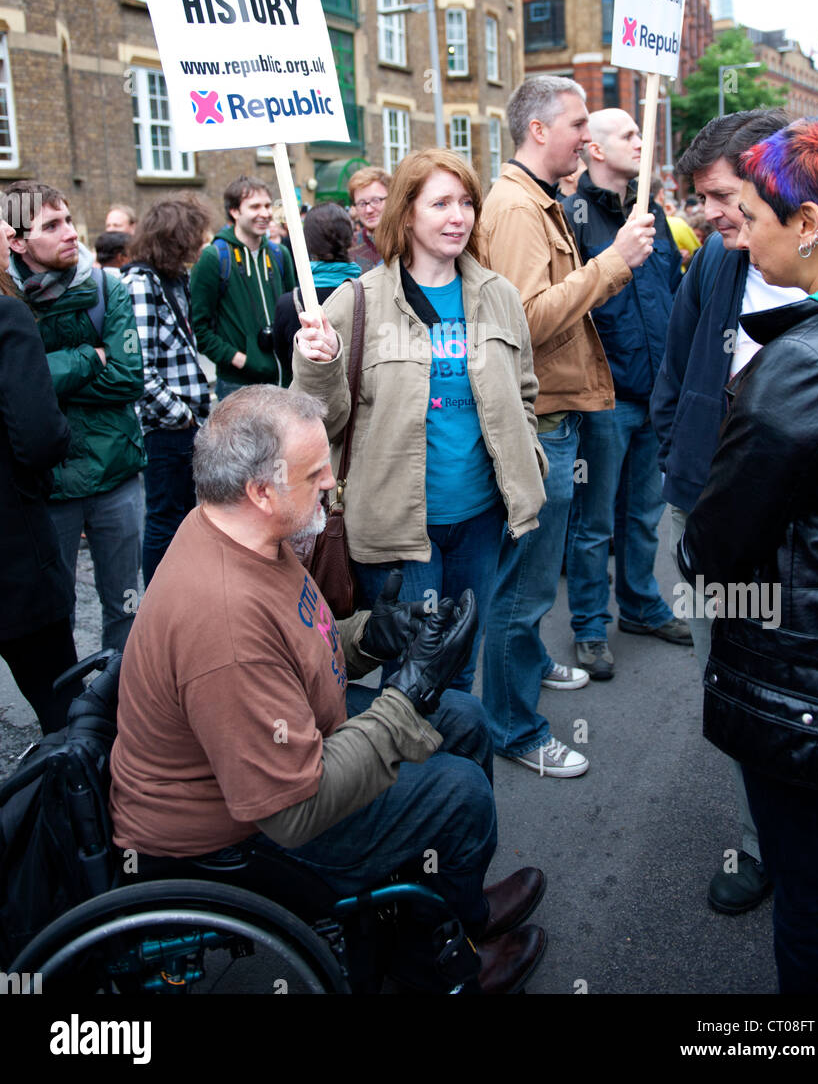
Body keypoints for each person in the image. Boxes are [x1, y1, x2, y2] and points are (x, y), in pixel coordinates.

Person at [109, 386, 548, 993]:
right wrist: (410, 694)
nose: (331, 484)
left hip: (279, 751)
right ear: (260, 491)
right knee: (458, 790)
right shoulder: (224, 620)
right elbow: (292, 810)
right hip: (242, 829)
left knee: (466, 719)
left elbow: (295, 645)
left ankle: (457, 912)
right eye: (315, 472)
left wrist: (374, 633)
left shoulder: (240, 529)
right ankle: (430, 969)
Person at [679, 115, 818, 994]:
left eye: (748, 213)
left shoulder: (808, 363)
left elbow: (715, 548)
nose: (737, 236)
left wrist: (696, 552)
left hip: (817, 681)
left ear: (810, 224)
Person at [292, 148, 559, 699]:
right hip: (398, 532)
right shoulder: (356, 302)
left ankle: (462, 781)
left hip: (482, 521)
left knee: (461, 665)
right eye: (440, 203)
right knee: (411, 671)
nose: (458, 216)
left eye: (466, 202)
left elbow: (525, 391)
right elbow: (317, 421)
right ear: (406, 214)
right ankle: (415, 783)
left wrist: (527, 456)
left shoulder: (498, 296)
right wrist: (317, 366)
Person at [478, 76, 655, 776]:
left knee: (527, 582)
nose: (588, 134)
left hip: (557, 417)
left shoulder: (537, 199)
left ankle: (528, 671)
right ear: (537, 130)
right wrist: (611, 266)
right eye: (578, 122)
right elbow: (526, 321)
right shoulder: (518, 209)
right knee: (520, 596)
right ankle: (515, 729)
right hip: (541, 424)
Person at [651, 108, 797, 915]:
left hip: (800, 538)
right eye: (698, 197)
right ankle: (759, 840)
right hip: (703, 515)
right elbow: (676, 368)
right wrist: (682, 461)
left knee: (808, 687)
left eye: (718, 196)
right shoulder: (712, 263)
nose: (705, 214)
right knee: (731, 682)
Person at [562, 108, 687, 683]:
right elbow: (566, 305)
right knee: (594, 524)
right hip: (604, 396)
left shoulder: (652, 211)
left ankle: (641, 606)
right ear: (593, 148)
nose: (642, 142)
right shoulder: (572, 217)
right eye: (630, 135)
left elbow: (667, 295)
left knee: (644, 515)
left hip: (654, 393)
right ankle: (590, 625)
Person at [6, 180, 145, 653]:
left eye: (67, 219)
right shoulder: (9, 305)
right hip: (49, 487)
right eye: (51, 225)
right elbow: (15, 394)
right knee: (54, 611)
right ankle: (70, 714)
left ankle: (123, 702)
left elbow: (129, 378)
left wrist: (43, 379)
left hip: (117, 476)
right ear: (18, 242)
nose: (69, 232)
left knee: (126, 605)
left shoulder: (108, 288)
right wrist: (90, 357)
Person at [0, 207, 78, 734]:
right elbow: (39, 436)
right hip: (11, 548)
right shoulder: (7, 315)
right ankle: (82, 812)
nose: (10, 231)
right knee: (66, 710)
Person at [122, 197, 213, 586]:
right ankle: (161, 601)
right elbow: (138, 369)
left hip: (185, 422)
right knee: (164, 519)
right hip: (165, 429)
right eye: (194, 234)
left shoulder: (173, 279)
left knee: (182, 516)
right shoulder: (140, 283)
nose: (201, 242)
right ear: (175, 236)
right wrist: (181, 415)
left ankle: (182, 593)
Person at [190, 176, 296, 400]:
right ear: (235, 211)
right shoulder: (214, 257)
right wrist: (239, 359)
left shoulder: (279, 254)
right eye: (255, 206)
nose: (265, 213)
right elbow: (199, 328)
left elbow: (293, 311)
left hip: (283, 381)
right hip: (237, 386)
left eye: (267, 206)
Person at [273, 202, 361, 378]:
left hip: (307, 401)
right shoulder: (369, 293)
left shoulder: (289, 303)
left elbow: (284, 361)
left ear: (308, 243)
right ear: (351, 239)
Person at [347, 166, 391, 273]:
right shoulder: (347, 249)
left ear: (392, 198)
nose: (368, 209)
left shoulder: (410, 243)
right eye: (362, 203)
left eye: (375, 200)